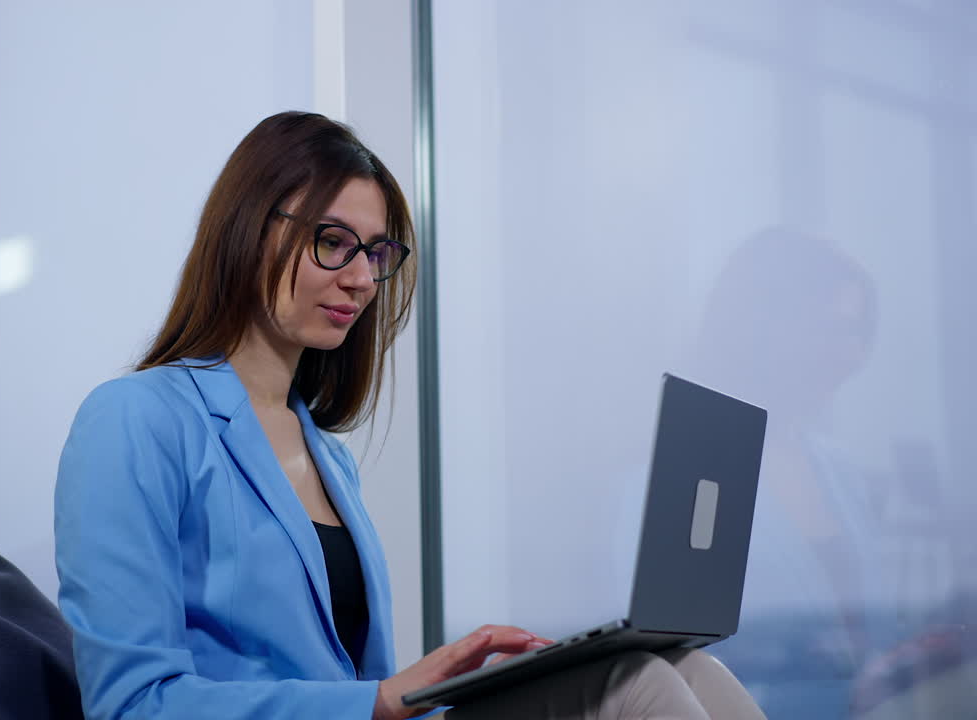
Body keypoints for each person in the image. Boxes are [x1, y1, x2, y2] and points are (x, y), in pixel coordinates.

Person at [54, 111, 766, 720]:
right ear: (251, 230)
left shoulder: (327, 457)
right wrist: (378, 701)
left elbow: (362, 685)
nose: (362, 279)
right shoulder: (134, 420)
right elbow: (133, 704)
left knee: (685, 670)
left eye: (377, 252)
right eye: (332, 242)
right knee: (634, 684)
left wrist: (435, 682)